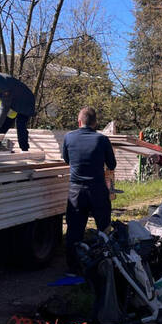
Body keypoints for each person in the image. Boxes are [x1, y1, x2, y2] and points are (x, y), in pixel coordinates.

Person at [63, 106, 117, 275]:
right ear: (95, 123)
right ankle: (104, 265)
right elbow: (112, 164)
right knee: (103, 228)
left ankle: (73, 268)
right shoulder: (102, 140)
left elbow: (66, 159)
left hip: (76, 191)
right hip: (97, 190)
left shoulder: (68, 137)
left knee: (74, 231)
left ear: (79, 122)